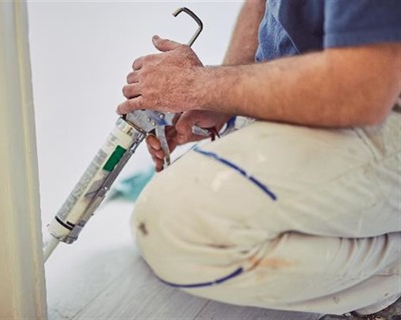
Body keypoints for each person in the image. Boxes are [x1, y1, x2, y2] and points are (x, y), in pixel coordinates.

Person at [116, 0, 401, 319]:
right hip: (322, 88)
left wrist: (198, 84)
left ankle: (389, 279)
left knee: (175, 222)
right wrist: (224, 97)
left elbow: (362, 88)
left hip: (382, 101)